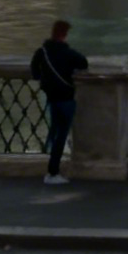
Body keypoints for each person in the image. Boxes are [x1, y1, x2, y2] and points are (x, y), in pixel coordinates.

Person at [30, 19, 90, 186]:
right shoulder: (68, 53)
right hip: (66, 98)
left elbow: (34, 72)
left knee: (55, 132)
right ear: (64, 35)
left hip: (51, 97)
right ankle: (53, 172)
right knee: (61, 135)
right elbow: (83, 62)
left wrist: (45, 79)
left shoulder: (42, 52)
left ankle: (51, 164)